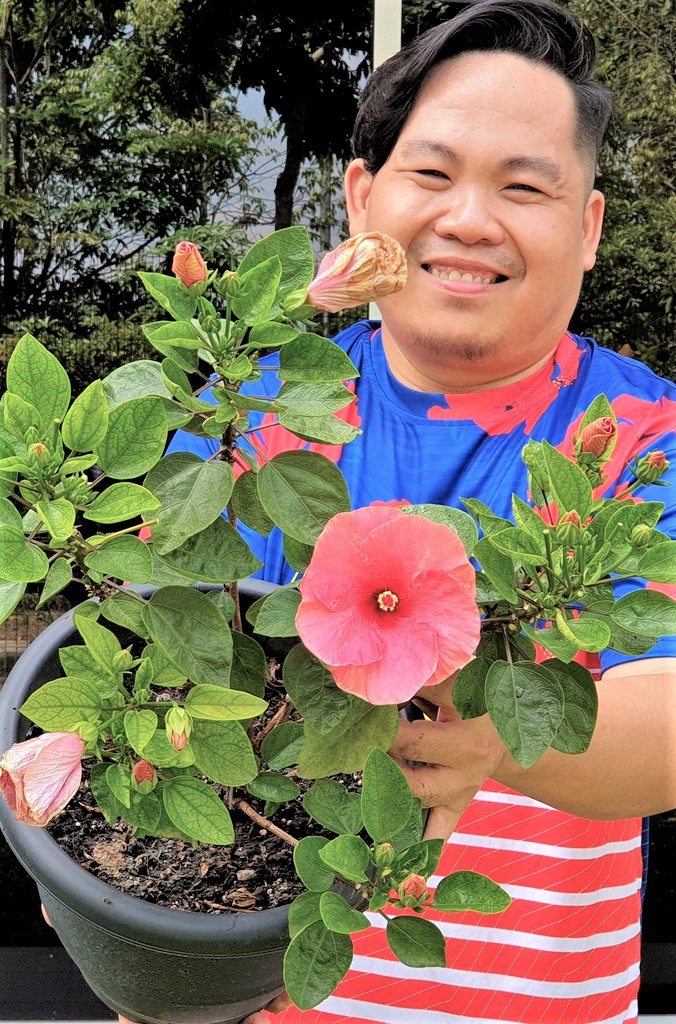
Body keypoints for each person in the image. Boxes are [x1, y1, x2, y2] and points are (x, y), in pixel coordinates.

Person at [128, 1, 676, 1021]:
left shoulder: (640, 439)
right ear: (361, 198)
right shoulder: (250, 426)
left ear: (589, 226)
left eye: (524, 186)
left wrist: (501, 736)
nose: (469, 219)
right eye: (432, 173)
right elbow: (162, 669)